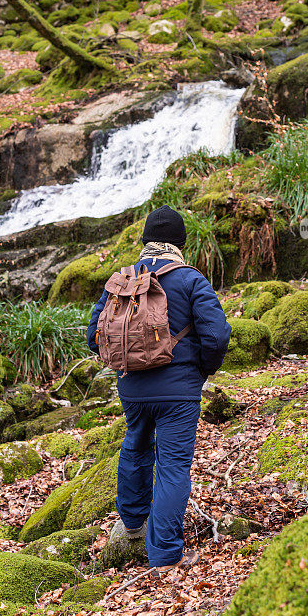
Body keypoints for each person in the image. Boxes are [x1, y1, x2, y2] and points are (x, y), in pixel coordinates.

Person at [87, 205, 231, 573]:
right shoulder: (190, 279)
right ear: (180, 242)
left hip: (132, 388)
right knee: (173, 465)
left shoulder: (123, 280)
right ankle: (165, 556)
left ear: (146, 241)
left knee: (135, 444)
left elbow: (93, 336)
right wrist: (201, 370)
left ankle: (133, 523)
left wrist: (129, 363)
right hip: (178, 392)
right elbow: (216, 335)